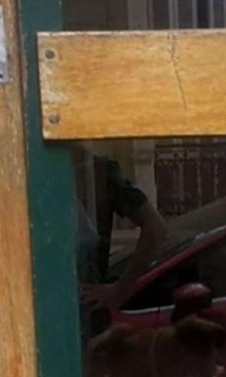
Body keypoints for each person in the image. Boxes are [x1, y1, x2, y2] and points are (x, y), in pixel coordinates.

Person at [72, 144, 168, 337]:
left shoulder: (99, 173)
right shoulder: (99, 171)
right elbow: (156, 228)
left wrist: (120, 289)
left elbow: (156, 228)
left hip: (80, 315)